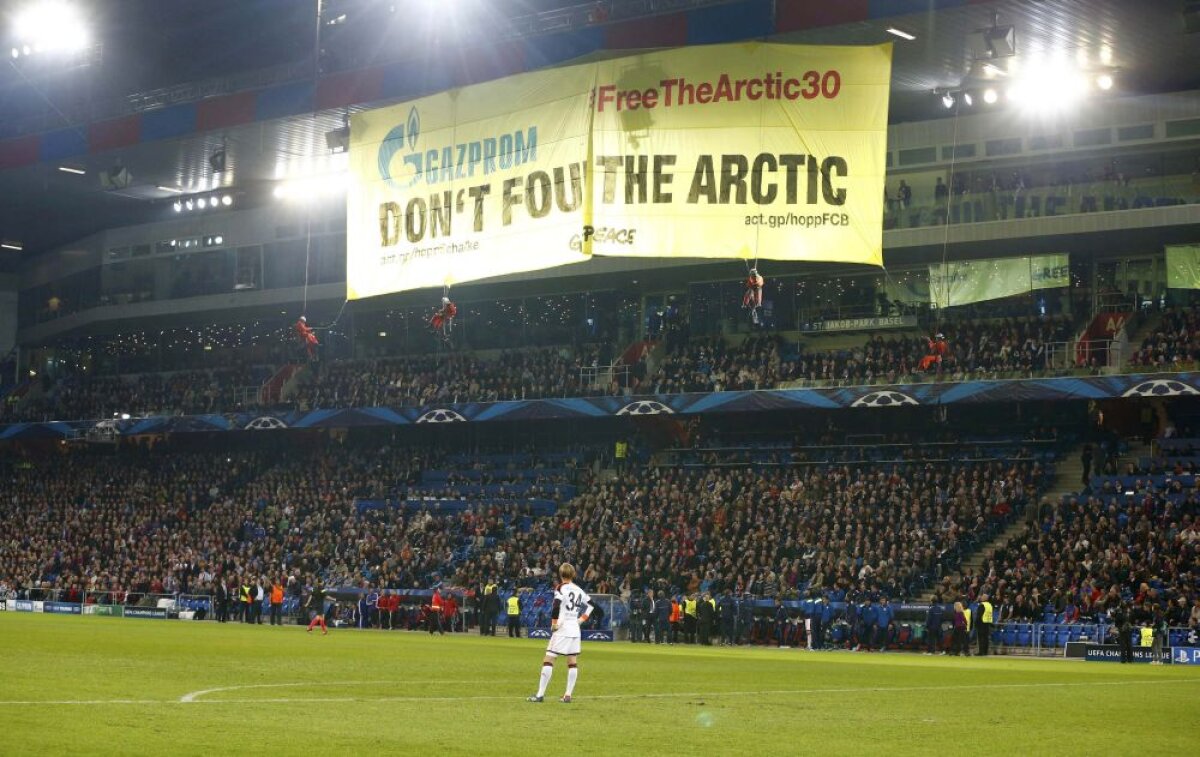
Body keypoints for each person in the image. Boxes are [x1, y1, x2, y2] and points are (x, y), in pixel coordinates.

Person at [528, 562, 593, 704]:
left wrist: (554, 623)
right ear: (573, 574)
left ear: (560, 574)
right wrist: (581, 619)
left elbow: (556, 605)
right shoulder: (579, 589)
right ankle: (568, 695)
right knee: (572, 661)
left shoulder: (561, 587)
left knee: (549, 658)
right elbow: (592, 605)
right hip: (575, 629)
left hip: (562, 628)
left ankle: (539, 695)